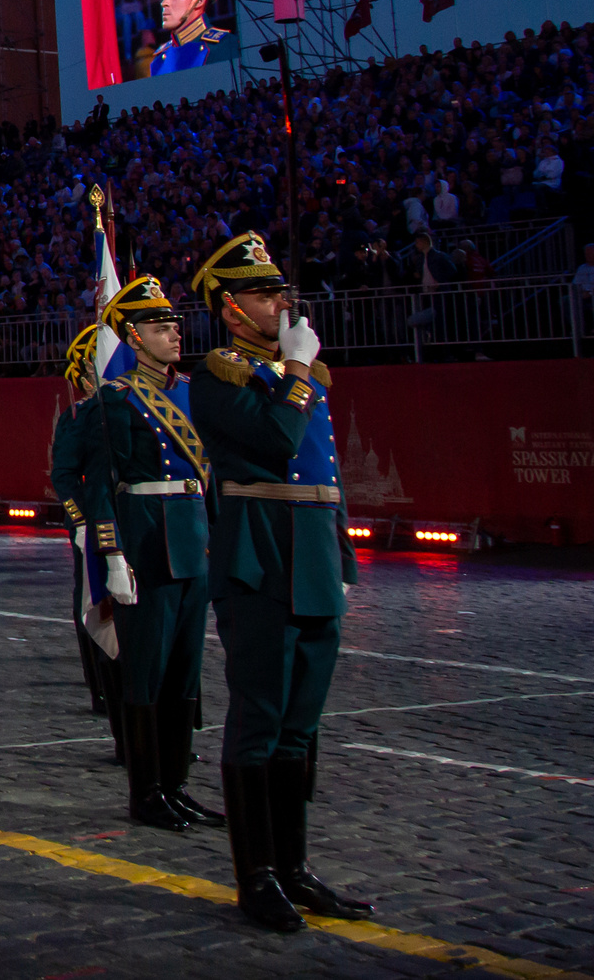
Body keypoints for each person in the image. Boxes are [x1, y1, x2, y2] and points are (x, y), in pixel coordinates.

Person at [186, 233, 370, 933]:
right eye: (265, 294)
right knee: (259, 721)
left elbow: (329, 473)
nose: (281, 303)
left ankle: (294, 867)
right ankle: (256, 875)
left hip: (316, 558)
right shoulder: (217, 376)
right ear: (231, 309)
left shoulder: (302, 376)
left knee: (301, 728)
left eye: (281, 292)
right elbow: (276, 442)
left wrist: (345, 558)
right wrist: (295, 369)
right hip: (259, 560)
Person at [76, 275, 220, 834]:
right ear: (132, 336)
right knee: (146, 671)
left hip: (192, 538)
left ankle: (177, 784)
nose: (173, 335)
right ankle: (146, 790)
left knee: (185, 672)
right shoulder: (114, 400)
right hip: (145, 542)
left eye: (174, 326)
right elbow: (99, 484)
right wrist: (110, 554)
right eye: (160, 328)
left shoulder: (192, 391)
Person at [53, 324, 123, 763]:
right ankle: (102, 689)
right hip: (96, 526)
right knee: (98, 604)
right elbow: (65, 477)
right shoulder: (79, 417)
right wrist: (81, 524)